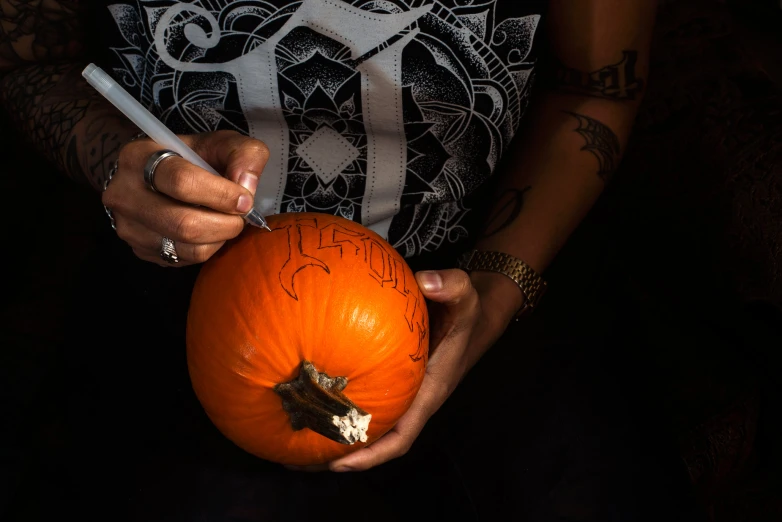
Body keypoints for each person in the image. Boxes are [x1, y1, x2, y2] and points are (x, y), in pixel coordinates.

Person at [1, 1, 700, 520]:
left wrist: (499, 286)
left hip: (487, 270)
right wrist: (121, 164)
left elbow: (596, 87)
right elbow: (30, 62)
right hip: (188, 293)